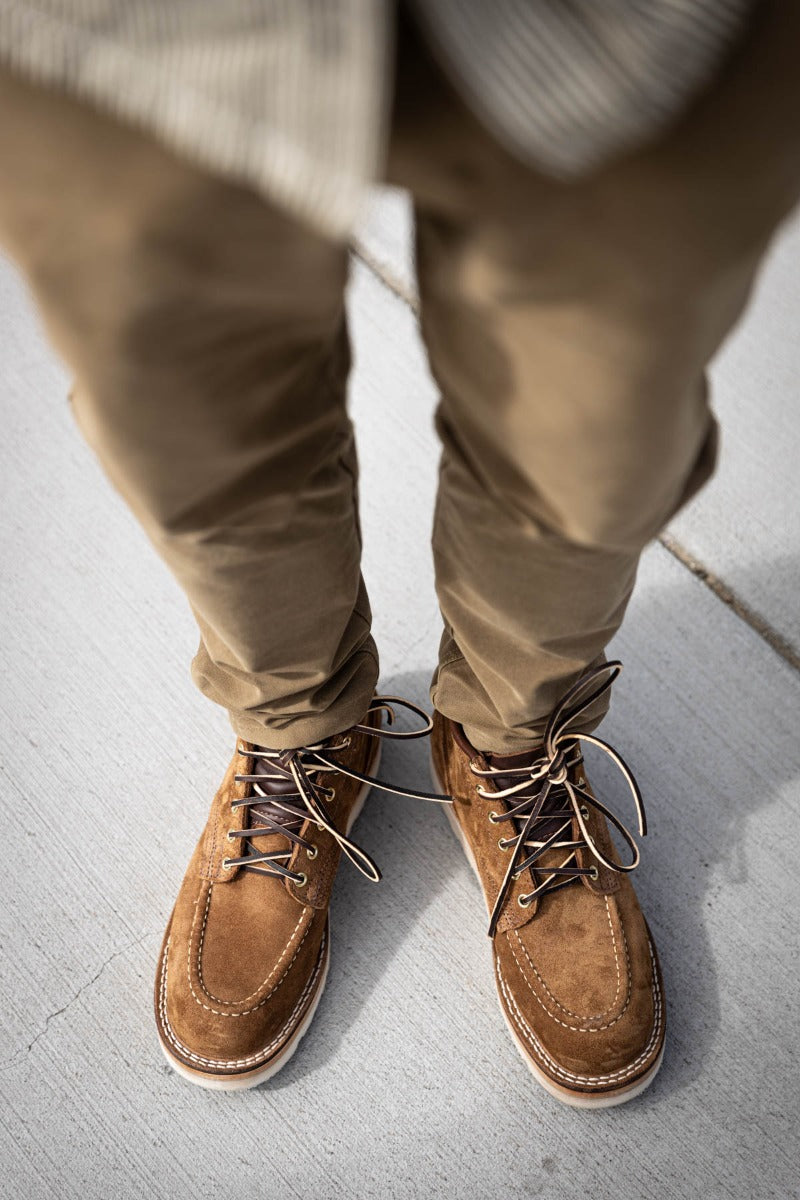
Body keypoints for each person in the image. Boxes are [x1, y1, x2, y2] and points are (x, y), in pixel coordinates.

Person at [0, 0, 797, 1107]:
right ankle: (301, 725)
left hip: (632, 32)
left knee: (595, 428)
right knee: (187, 418)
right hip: (118, 30)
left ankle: (503, 741)